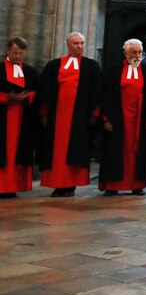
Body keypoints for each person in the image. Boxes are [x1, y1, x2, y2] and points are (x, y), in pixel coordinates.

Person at [39, 32, 101, 197]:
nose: (79, 46)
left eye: (81, 43)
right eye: (76, 43)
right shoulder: (54, 65)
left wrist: (94, 114)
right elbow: (45, 90)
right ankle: (58, 184)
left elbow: (97, 92)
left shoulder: (91, 66)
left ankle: (71, 184)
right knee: (57, 152)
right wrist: (45, 113)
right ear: (68, 45)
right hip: (57, 117)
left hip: (79, 117)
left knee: (76, 151)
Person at [99, 39, 146, 196]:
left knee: (138, 151)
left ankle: (137, 184)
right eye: (134, 52)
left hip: (140, 119)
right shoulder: (114, 70)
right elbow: (106, 96)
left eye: (140, 52)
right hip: (118, 119)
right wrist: (106, 119)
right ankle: (112, 185)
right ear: (126, 53)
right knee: (116, 150)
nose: (137, 55)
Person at [0, 37, 39, 198]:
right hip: (3, 115)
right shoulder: (0, 69)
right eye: (15, 53)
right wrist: (7, 97)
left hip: (23, 117)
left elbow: (37, 90)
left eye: (21, 53)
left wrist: (27, 96)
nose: (17, 57)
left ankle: (12, 186)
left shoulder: (30, 71)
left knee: (18, 151)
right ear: (8, 51)